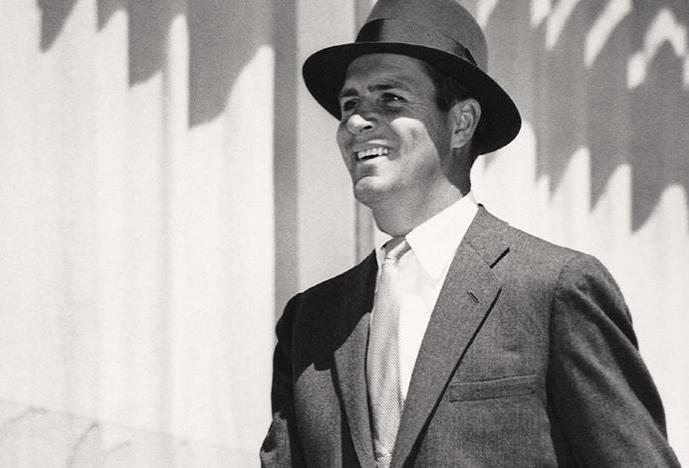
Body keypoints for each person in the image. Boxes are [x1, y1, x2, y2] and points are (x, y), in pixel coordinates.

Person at [260, 0, 680, 466]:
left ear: (461, 123)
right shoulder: (310, 322)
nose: (356, 121)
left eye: (391, 98)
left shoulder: (553, 289)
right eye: (349, 103)